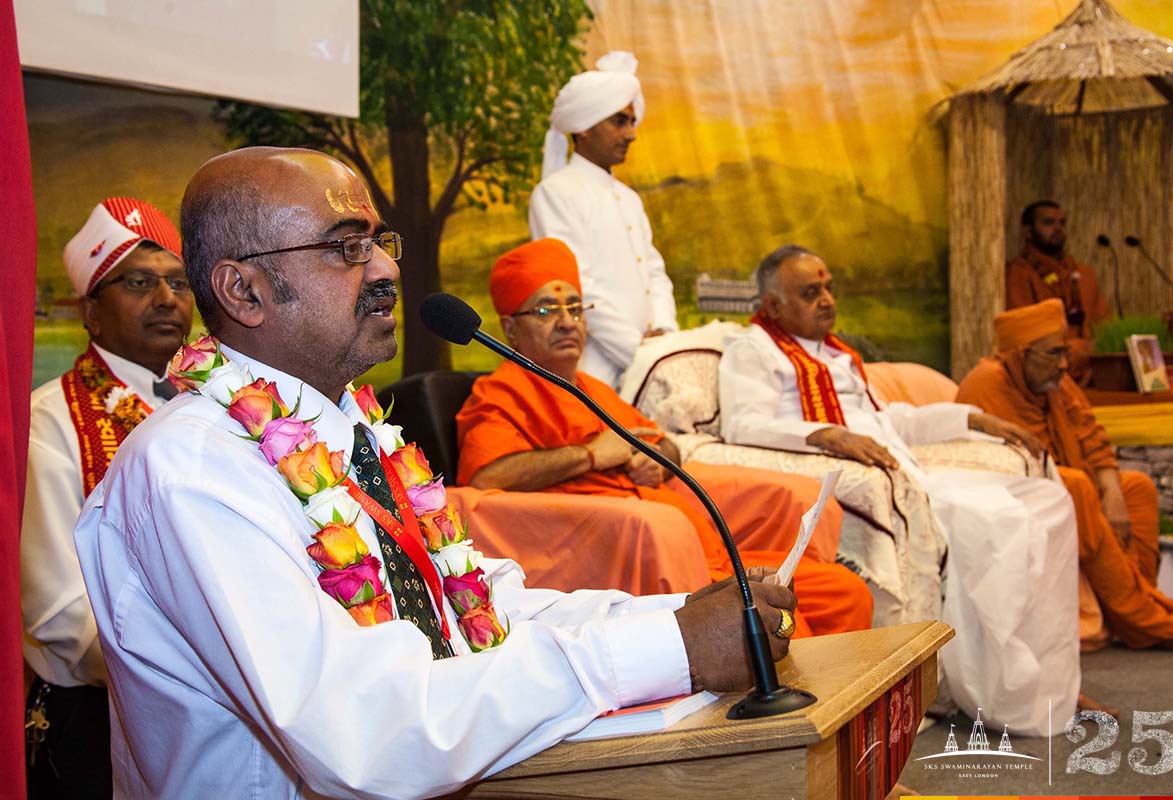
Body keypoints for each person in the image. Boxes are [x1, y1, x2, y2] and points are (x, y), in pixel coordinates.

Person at [72, 147, 797, 799]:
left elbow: (472, 608)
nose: (387, 269)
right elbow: (358, 734)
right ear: (244, 291)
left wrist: (669, 619)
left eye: (378, 242)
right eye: (345, 247)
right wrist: (666, 650)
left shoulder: (352, 429)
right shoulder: (194, 470)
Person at [718, 244, 1084, 736]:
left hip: (912, 472)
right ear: (774, 305)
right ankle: (997, 689)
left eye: (828, 288)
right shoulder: (754, 350)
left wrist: (972, 418)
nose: (826, 299)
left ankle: (1045, 679)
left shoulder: (837, 355)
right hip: (872, 478)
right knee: (1002, 523)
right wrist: (822, 433)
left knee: (1049, 503)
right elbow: (743, 423)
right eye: (810, 292)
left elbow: (889, 420)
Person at [456, 238, 873, 638]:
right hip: (633, 556)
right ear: (510, 329)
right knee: (777, 618)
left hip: (702, 551)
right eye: (547, 310)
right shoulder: (501, 392)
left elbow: (665, 443)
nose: (568, 322)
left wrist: (656, 456)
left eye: (575, 308)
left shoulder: (592, 388)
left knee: (845, 594)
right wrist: (589, 456)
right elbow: (487, 477)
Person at [22, 197, 191, 798]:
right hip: (98, 719)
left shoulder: (219, 410)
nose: (168, 299)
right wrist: (189, 671)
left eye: (178, 282)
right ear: (91, 311)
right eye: (140, 282)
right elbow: (56, 611)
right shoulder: (51, 419)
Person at [956, 299, 1173, 653]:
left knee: (1136, 488)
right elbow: (1007, 465)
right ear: (1021, 355)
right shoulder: (986, 384)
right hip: (1014, 496)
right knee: (1078, 487)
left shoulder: (1055, 381)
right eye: (1054, 354)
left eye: (1066, 353)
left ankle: (1132, 605)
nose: (1064, 364)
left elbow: (1091, 434)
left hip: (1067, 484)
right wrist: (1089, 487)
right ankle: (1153, 624)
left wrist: (1113, 494)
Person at [529, 51, 677, 387]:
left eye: (631, 121)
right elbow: (577, 286)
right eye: (619, 121)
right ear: (582, 129)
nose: (631, 134)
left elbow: (654, 274)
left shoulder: (629, 199)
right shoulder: (555, 193)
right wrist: (638, 352)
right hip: (594, 369)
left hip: (650, 363)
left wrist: (665, 338)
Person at [1005, 201, 1111, 383]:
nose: (1058, 228)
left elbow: (1104, 327)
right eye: (1048, 223)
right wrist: (1071, 351)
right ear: (1028, 231)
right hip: (1044, 376)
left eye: (1062, 223)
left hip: (1089, 375)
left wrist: (1094, 358)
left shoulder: (1084, 274)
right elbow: (1023, 336)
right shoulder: (1019, 274)